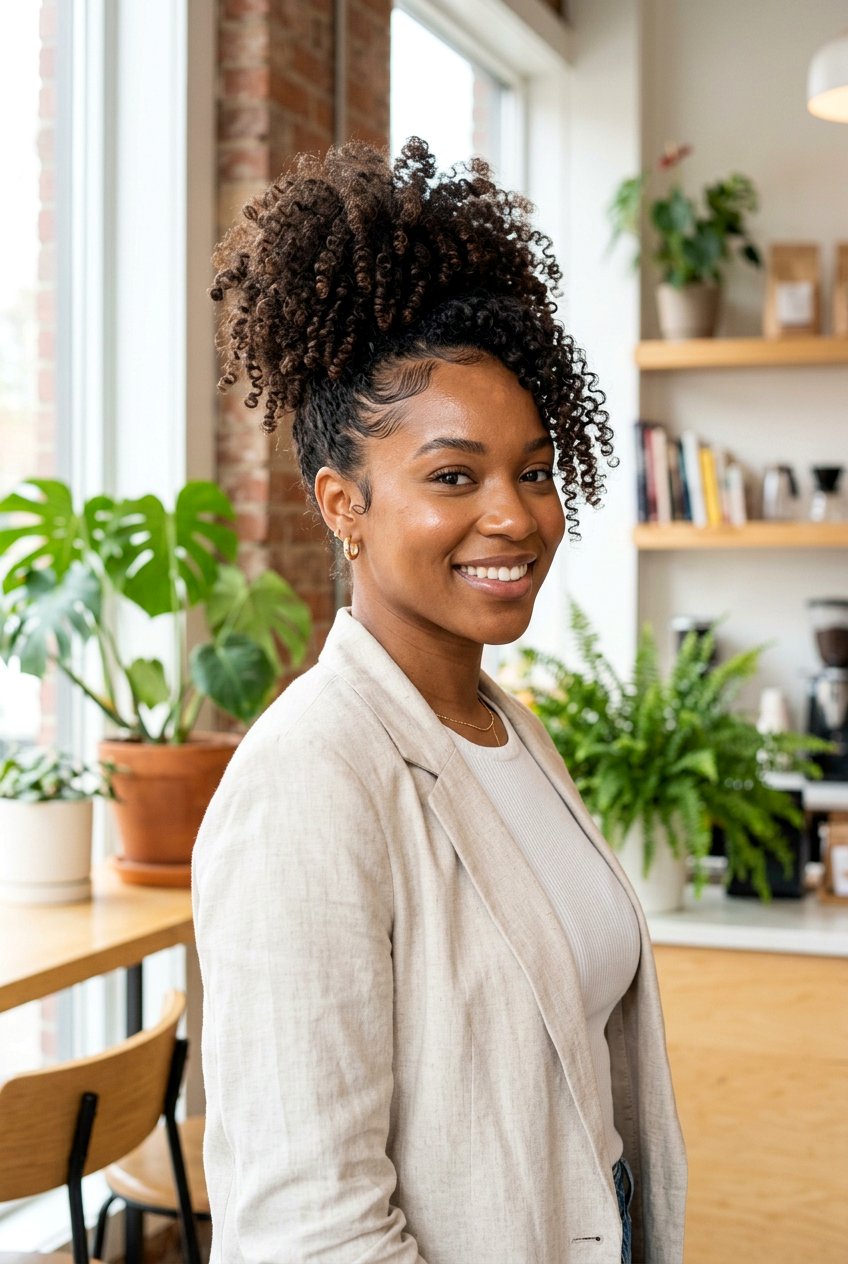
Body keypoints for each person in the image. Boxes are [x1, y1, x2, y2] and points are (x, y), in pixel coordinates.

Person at [193, 138, 686, 1264]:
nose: (514, 516)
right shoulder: (309, 780)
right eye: (453, 476)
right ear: (344, 506)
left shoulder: (507, 726)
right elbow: (309, 1231)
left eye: (534, 470)